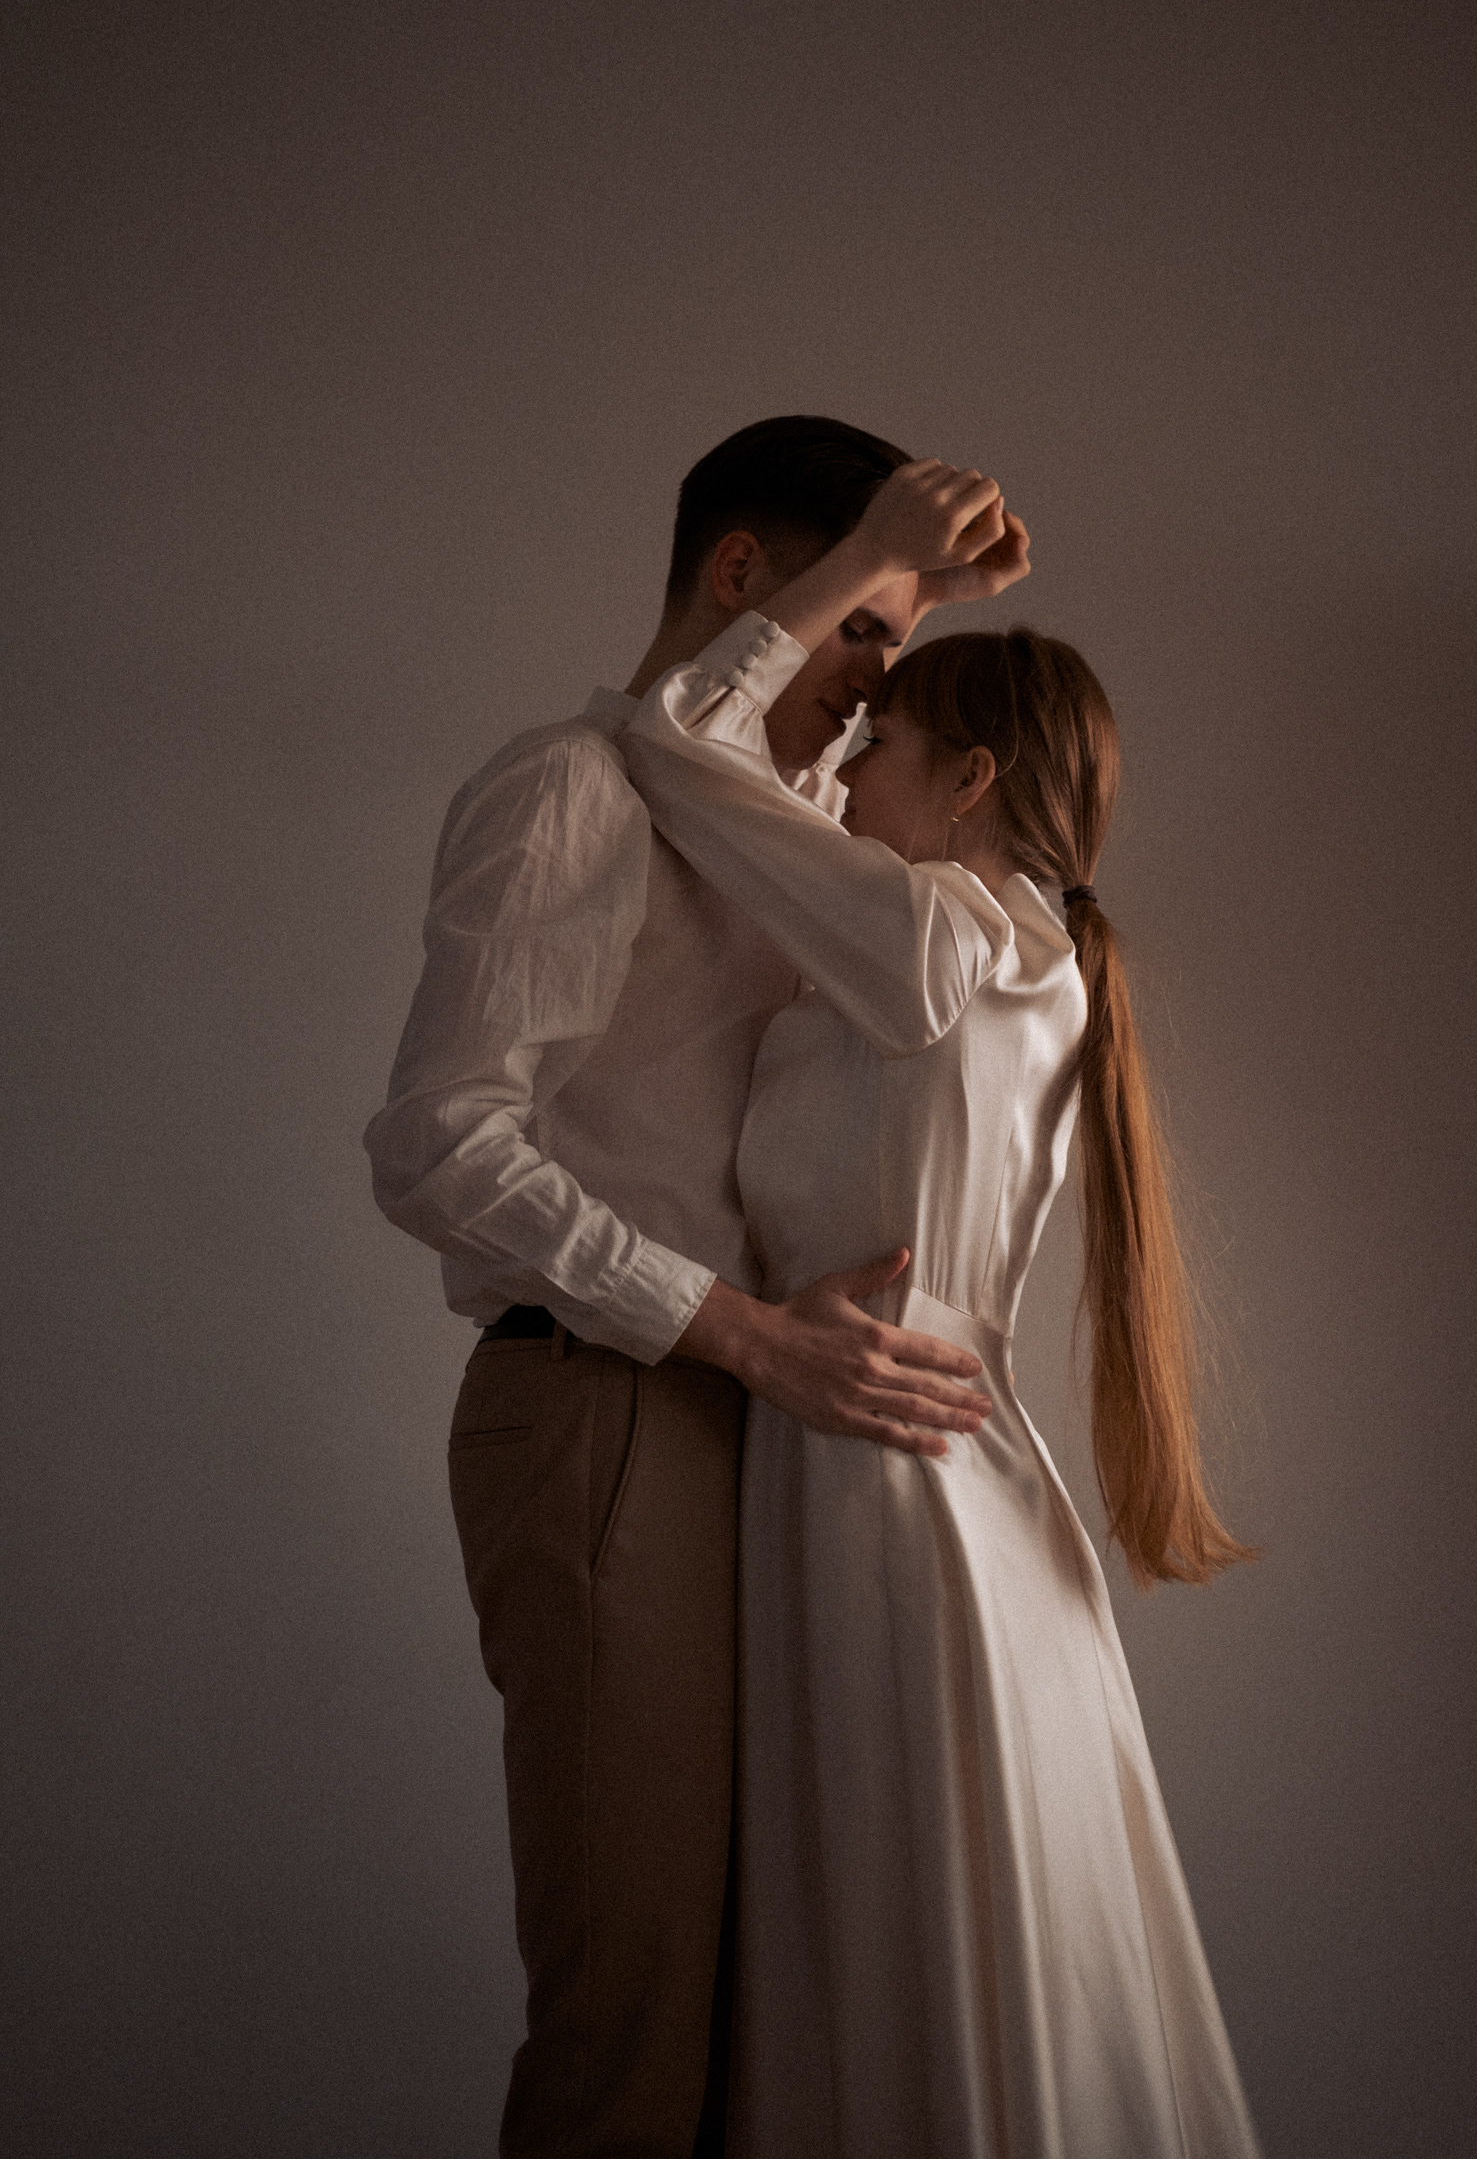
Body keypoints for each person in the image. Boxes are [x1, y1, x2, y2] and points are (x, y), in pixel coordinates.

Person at [362, 418, 1030, 2159]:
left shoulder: (785, 831)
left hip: (761, 1423)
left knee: (765, 2017)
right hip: (612, 1413)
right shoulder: (573, 788)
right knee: (636, 2016)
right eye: (864, 626)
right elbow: (440, 1143)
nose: (882, 683)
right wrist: (740, 1332)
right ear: (745, 576)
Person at [622, 468, 1262, 2158]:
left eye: (878, 744)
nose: (839, 775)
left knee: (894, 1937)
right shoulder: (982, 957)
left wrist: (872, 561)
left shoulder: (943, 944)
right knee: (905, 1946)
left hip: (893, 1491)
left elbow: (668, 739)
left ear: (971, 781)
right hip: (885, 1469)